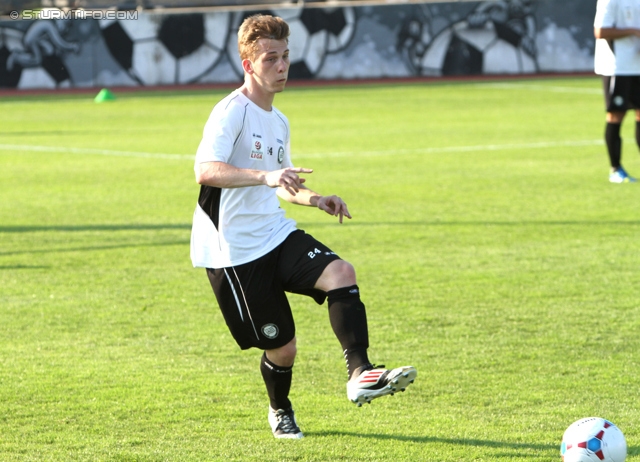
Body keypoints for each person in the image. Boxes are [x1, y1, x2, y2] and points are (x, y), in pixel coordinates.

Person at [190, 14, 417, 439]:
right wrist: (265, 176)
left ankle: (360, 375)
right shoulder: (231, 112)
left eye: (286, 57)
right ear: (248, 64)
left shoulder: (279, 121)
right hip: (233, 251)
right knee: (283, 347)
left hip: (275, 233)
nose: (281, 66)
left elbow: (282, 183)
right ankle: (279, 409)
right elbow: (206, 171)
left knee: (340, 273)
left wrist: (315, 199)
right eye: (270, 58)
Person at [594, 0, 640, 183]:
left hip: (638, 66)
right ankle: (616, 169)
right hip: (618, 67)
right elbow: (600, 31)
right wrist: (634, 32)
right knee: (616, 116)